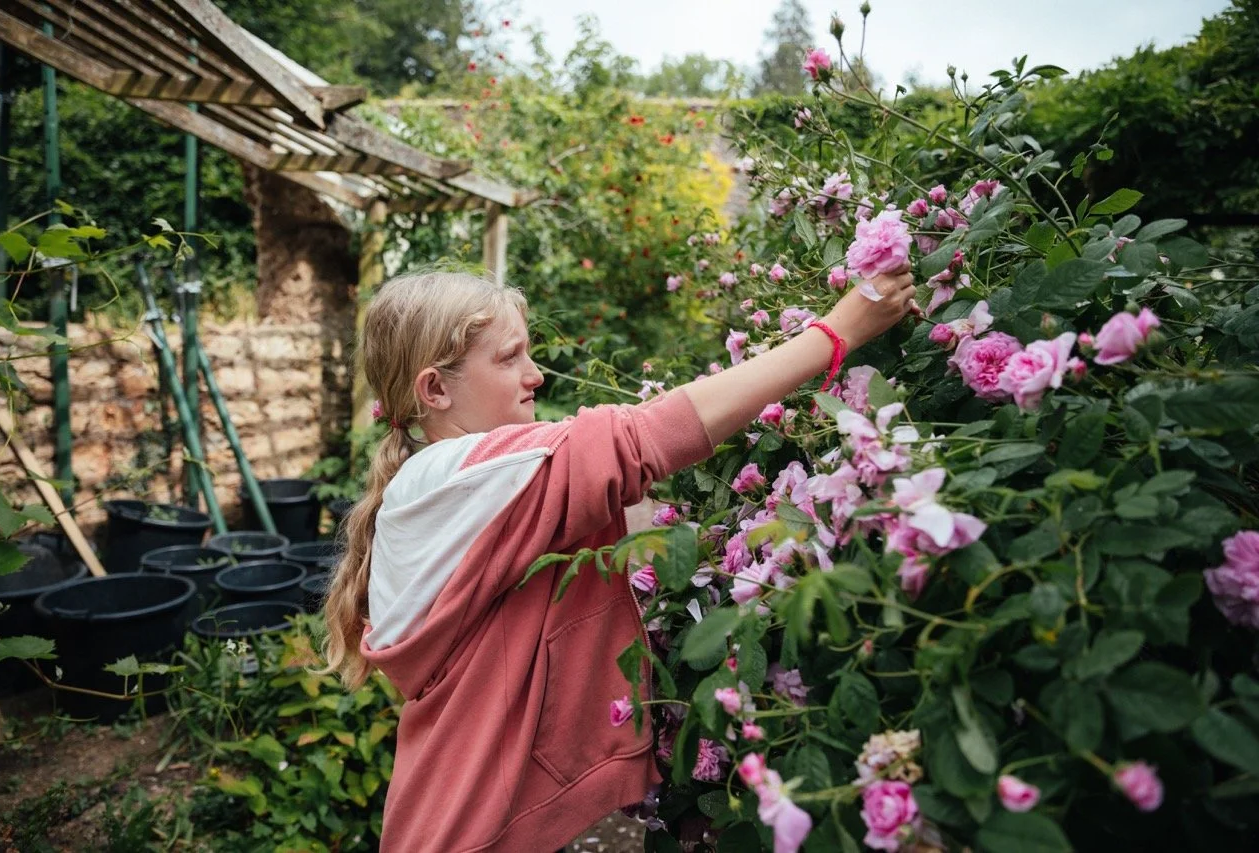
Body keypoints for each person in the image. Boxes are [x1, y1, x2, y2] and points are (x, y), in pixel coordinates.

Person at [321, 266, 916, 852]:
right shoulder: (458, 475)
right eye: (508, 358)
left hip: (464, 819)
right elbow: (644, 439)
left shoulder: (446, 488)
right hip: (487, 832)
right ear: (435, 389)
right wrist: (836, 332)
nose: (535, 376)